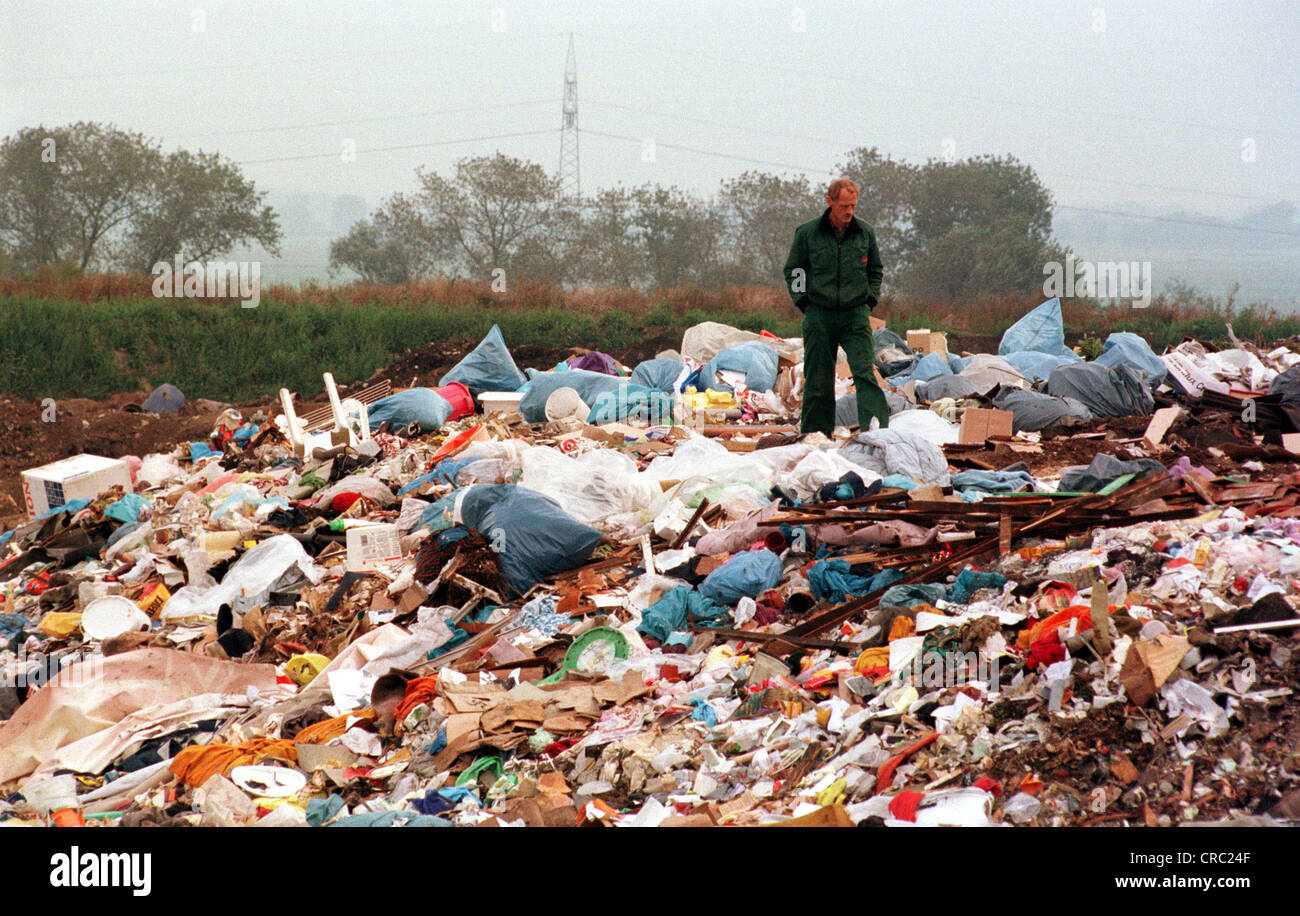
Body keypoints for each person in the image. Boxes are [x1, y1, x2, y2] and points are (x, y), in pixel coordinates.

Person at [782, 178, 889, 437]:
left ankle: (875, 433)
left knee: (864, 372)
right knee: (818, 378)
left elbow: (875, 270)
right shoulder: (807, 233)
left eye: (852, 205)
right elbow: (795, 269)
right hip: (819, 314)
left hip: (855, 315)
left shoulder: (864, 232)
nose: (849, 211)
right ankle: (816, 436)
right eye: (843, 205)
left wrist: (869, 301)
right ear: (829, 202)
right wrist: (804, 302)